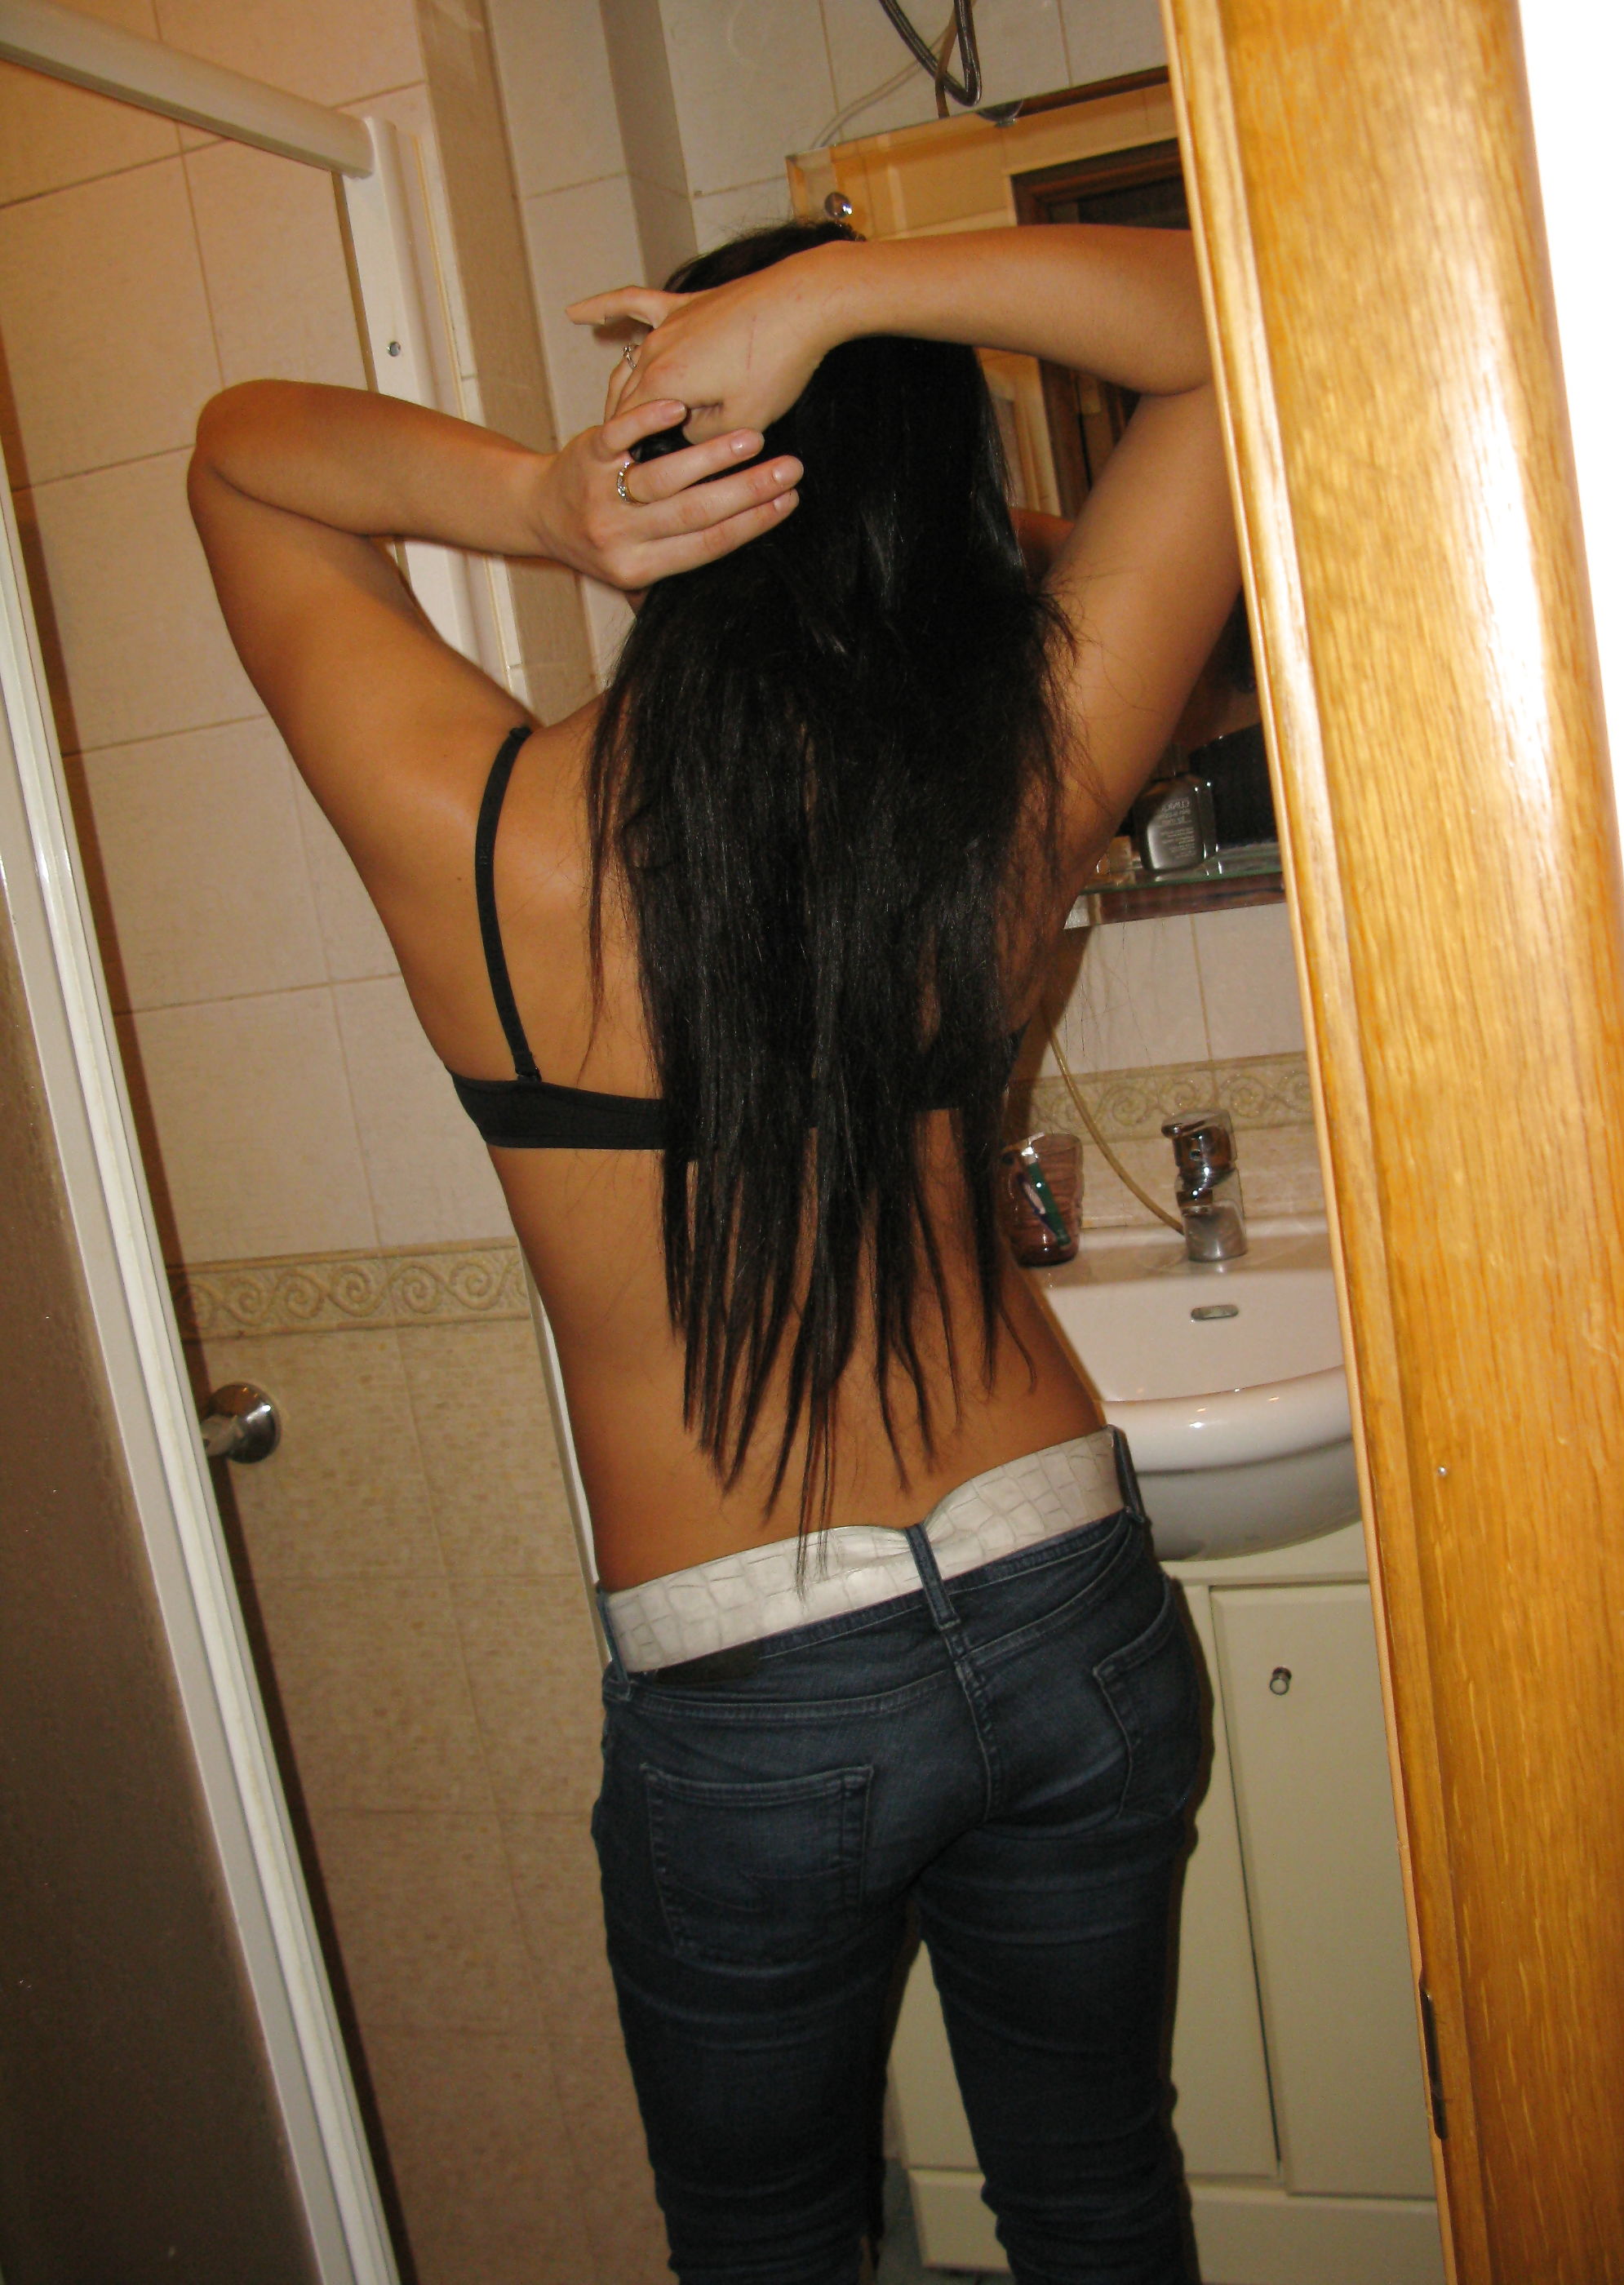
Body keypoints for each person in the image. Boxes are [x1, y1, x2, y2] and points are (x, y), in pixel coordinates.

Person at [189, 217, 1240, 2285]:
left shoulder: (488, 836)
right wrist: (853, 297)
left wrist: (548, 505)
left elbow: (241, 453)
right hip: (1062, 1600)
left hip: (753, 1688)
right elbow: (1231, 328)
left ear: (676, 466)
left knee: (767, 2246)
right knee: (1098, 2188)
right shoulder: (1009, 787)